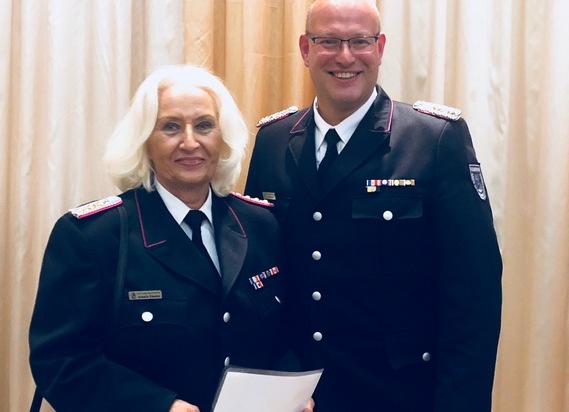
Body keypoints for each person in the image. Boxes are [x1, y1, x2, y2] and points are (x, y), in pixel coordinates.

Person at [244, 0, 503, 411]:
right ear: (306, 49)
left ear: (380, 48)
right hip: (299, 396)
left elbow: (474, 295)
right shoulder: (273, 141)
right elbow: (259, 277)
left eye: (360, 41)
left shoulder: (433, 140)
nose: (345, 56)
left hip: (398, 394)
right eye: (329, 41)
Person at [29, 65, 314, 412]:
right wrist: (159, 406)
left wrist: (291, 391)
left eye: (204, 125)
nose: (190, 142)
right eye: (171, 127)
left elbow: (281, 335)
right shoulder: (93, 236)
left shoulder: (258, 224)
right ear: (145, 141)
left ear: (222, 138)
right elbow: (61, 361)